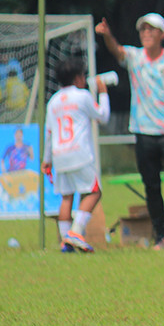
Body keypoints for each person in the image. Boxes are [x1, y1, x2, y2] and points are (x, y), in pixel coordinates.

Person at [95, 12, 164, 249]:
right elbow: (117, 50)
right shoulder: (135, 57)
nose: (146, 33)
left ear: (162, 34)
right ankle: (162, 235)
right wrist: (107, 36)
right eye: (143, 30)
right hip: (143, 130)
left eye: (151, 29)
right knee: (151, 184)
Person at [42, 58, 111, 252]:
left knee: (66, 197)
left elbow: (49, 133)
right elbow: (103, 117)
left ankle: (66, 242)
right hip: (79, 153)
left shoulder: (53, 101)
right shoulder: (82, 96)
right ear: (77, 78)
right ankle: (76, 231)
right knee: (94, 191)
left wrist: (46, 160)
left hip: (59, 155)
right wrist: (104, 93)